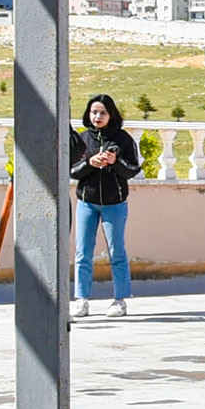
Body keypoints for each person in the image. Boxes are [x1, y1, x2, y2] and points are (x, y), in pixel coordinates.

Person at [70, 94, 141, 318]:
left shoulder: (123, 139)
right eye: (94, 112)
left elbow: (132, 170)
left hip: (115, 204)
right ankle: (81, 299)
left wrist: (115, 161)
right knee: (83, 252)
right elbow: (72, 171)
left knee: (116, 251)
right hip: (86, 203)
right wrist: (89, 163)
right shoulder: (82, 139)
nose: (97, 117)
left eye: (102, 113)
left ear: (111, 115)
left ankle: (120, 300)